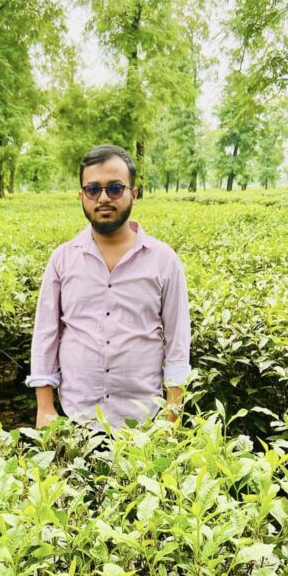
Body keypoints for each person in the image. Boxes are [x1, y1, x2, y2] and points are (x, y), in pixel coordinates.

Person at [26, 144, 191, 431]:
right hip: (75, 417)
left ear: (134, 194)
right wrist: (45, 408)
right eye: (93, 189)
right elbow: (45, 334)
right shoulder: (63, 259)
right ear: (81, 196)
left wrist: (172, 414)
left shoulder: (164, 260)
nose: (103, 198)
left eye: (115, 188)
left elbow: (178, 341)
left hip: (144, 420)